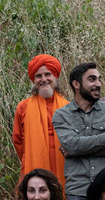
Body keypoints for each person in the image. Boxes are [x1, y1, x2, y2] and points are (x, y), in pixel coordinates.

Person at [53, 63, 105, 200]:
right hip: (78, 191)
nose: (98, 84)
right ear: (76, 84)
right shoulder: (61, 115)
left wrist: (77, 149)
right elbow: (71, 146)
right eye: (92, 79)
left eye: (99, 79)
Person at [13, 54, 71, 189]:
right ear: (34, 80)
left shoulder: (68, 107)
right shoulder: (23, 107)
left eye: (47, 74)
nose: (43, 79)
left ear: (55, 77)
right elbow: (18, 142)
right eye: (39, 76)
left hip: (64, 168)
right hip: (33, 166)